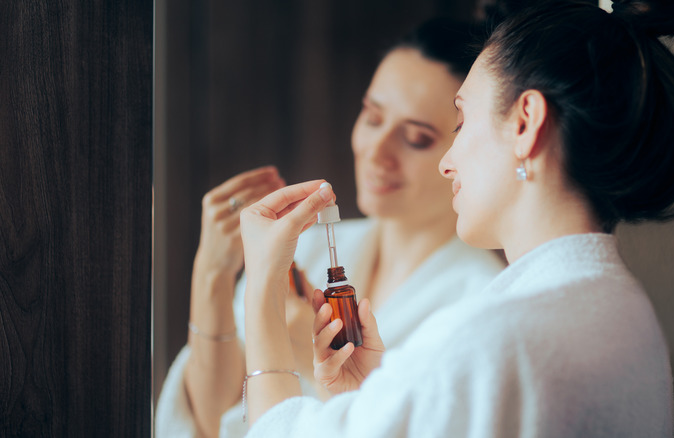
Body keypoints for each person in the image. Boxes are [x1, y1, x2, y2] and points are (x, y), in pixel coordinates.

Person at [237, 0, 674, 436]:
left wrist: (262, 285)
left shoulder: (490, 338)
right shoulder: (621, 310)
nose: (449, 161)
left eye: (461, 122)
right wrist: (366, 398)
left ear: (526, 123)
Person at [155, 18, 506, 438]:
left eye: (415, 139)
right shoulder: (306, 251)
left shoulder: (481, 304)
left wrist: (308, 357)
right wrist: (212, 274)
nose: (377, 152)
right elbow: (211, 422)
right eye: (373, 118)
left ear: (464, 147)